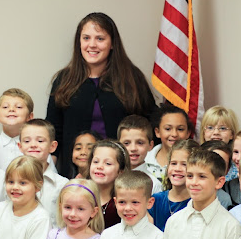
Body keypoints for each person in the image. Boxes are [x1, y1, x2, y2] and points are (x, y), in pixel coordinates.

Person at [46, 12, 157, 177]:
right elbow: (54, 131)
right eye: (86, 38)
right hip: (75, 174)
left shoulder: (132, 78)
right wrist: (49, 174)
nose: (92, 45)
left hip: (123, 175)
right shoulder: (64, 80)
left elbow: (151, 125)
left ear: (112, 43)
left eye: (100, 38)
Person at [18, 119, 68, 225]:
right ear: (20, 146)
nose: (33, 145)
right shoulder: (12, 182)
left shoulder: (62, 184)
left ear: (52, 146)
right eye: (27, 141)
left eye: (40, 141)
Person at [149, 139, 199, 232]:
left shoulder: (197, 204)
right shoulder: (155, 200)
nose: (177, 169)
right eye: (173, 163)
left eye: (184, 164)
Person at [87, 139, 131, 228]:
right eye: (96, 161)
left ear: (121, 171)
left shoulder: (123, 204)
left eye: (108, 163)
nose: (99, 166)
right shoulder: (80, 194)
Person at [0, 88, 35, 170]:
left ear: (30, 117)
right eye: (5, 107)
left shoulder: (37, 146)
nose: (11, 109)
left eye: (19, 107)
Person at [144, 104, 191, 183]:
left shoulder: (195, 160)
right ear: (157, 132)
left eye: (180, 129)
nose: (174, 134)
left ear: (188, 133)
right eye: (168, 129)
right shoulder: (145, 159)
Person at [118, 115, 163, 194]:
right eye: (126, 143)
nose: (133, 148)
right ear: (119, 145)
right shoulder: (111, 177)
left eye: (140, 143)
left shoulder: (154, 185)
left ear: (150, 145)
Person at [199, 106, 239, 181]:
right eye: (210, 128)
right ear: (203, 133)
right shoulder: (194, 159)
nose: (216, 132)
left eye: (223, 128)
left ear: (232, 134)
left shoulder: (237, 165)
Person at [201, 140, 234, 209]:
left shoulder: (223, 199)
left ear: (227, 171)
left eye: (221, 164)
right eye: (210, 161)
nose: (214, 168)